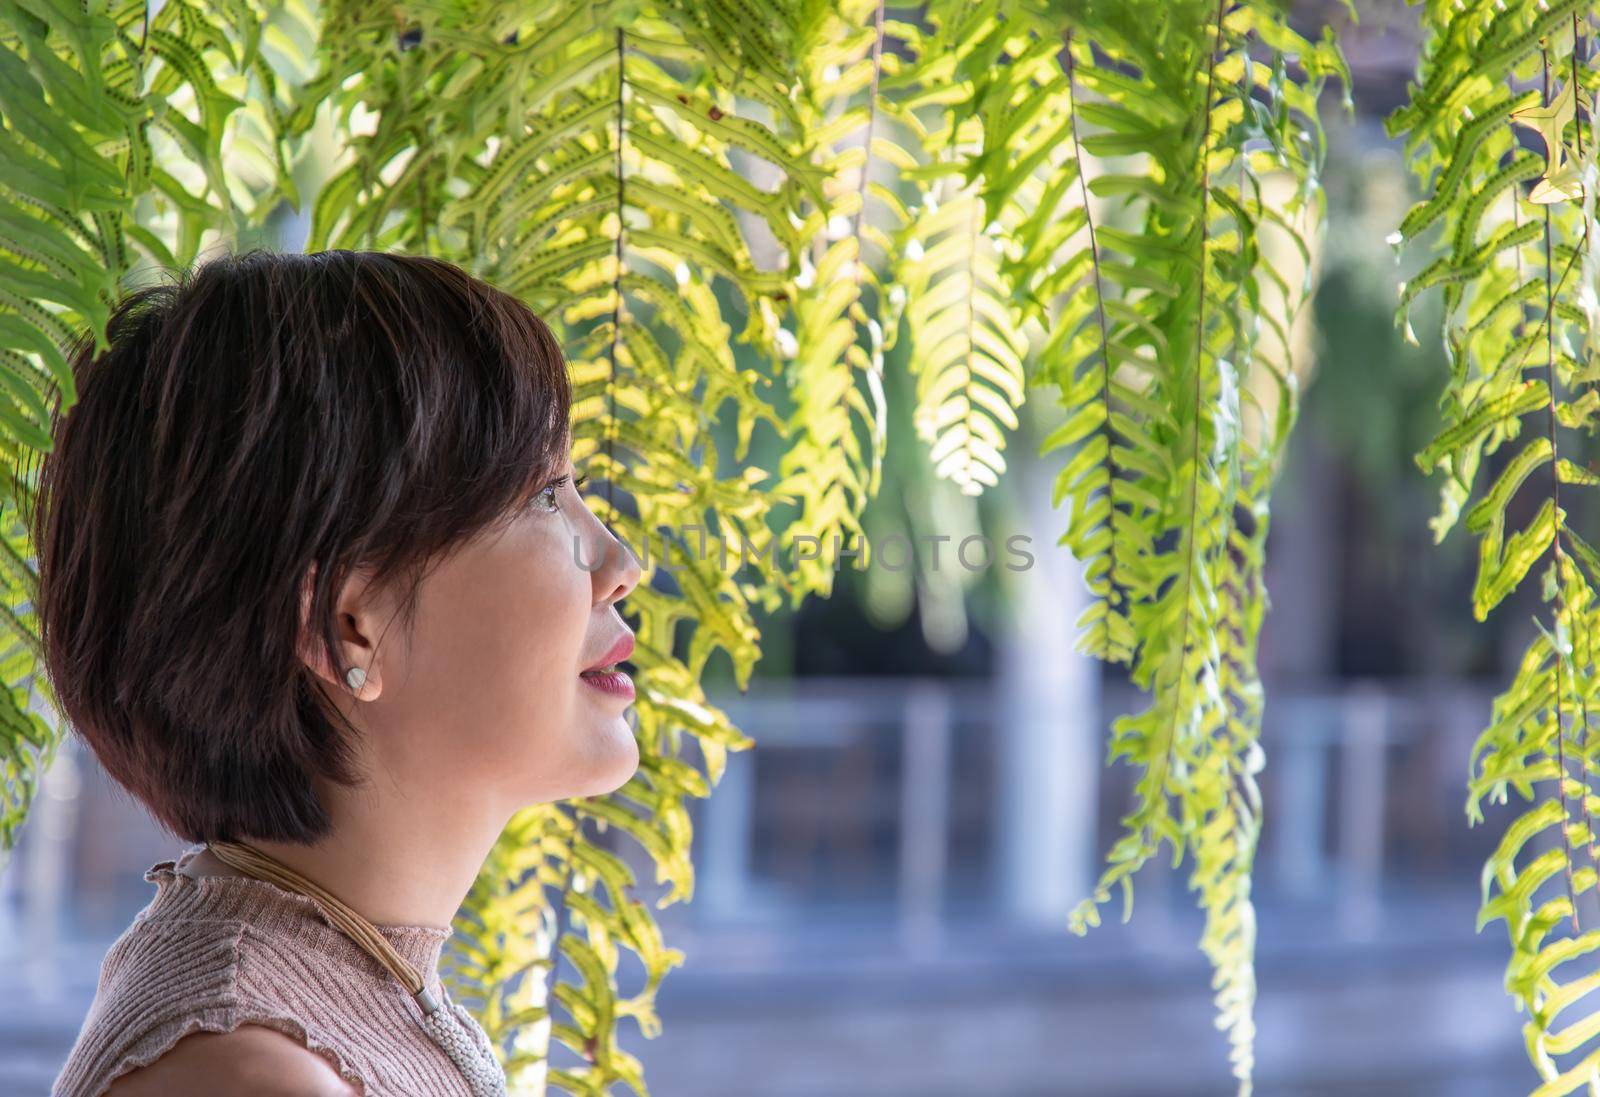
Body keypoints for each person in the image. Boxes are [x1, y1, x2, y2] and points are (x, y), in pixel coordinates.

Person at [38, 249, 644, 1096]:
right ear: (348, 627)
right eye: (544, 494)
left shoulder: (343, 987)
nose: (622, 561)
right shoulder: (252, 1071)